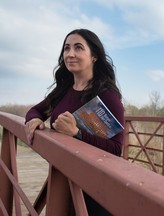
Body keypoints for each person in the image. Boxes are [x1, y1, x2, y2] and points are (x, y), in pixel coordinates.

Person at [25, 28, 124, 215]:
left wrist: (76, 133)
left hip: (94, 188)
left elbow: (116, 148)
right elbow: (35, 110)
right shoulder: (62, 91)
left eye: (78, 48)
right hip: (63, 178)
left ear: (94, 56)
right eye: (66, 48)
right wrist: (35, 119)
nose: (70, 54)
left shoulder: (107, 95)